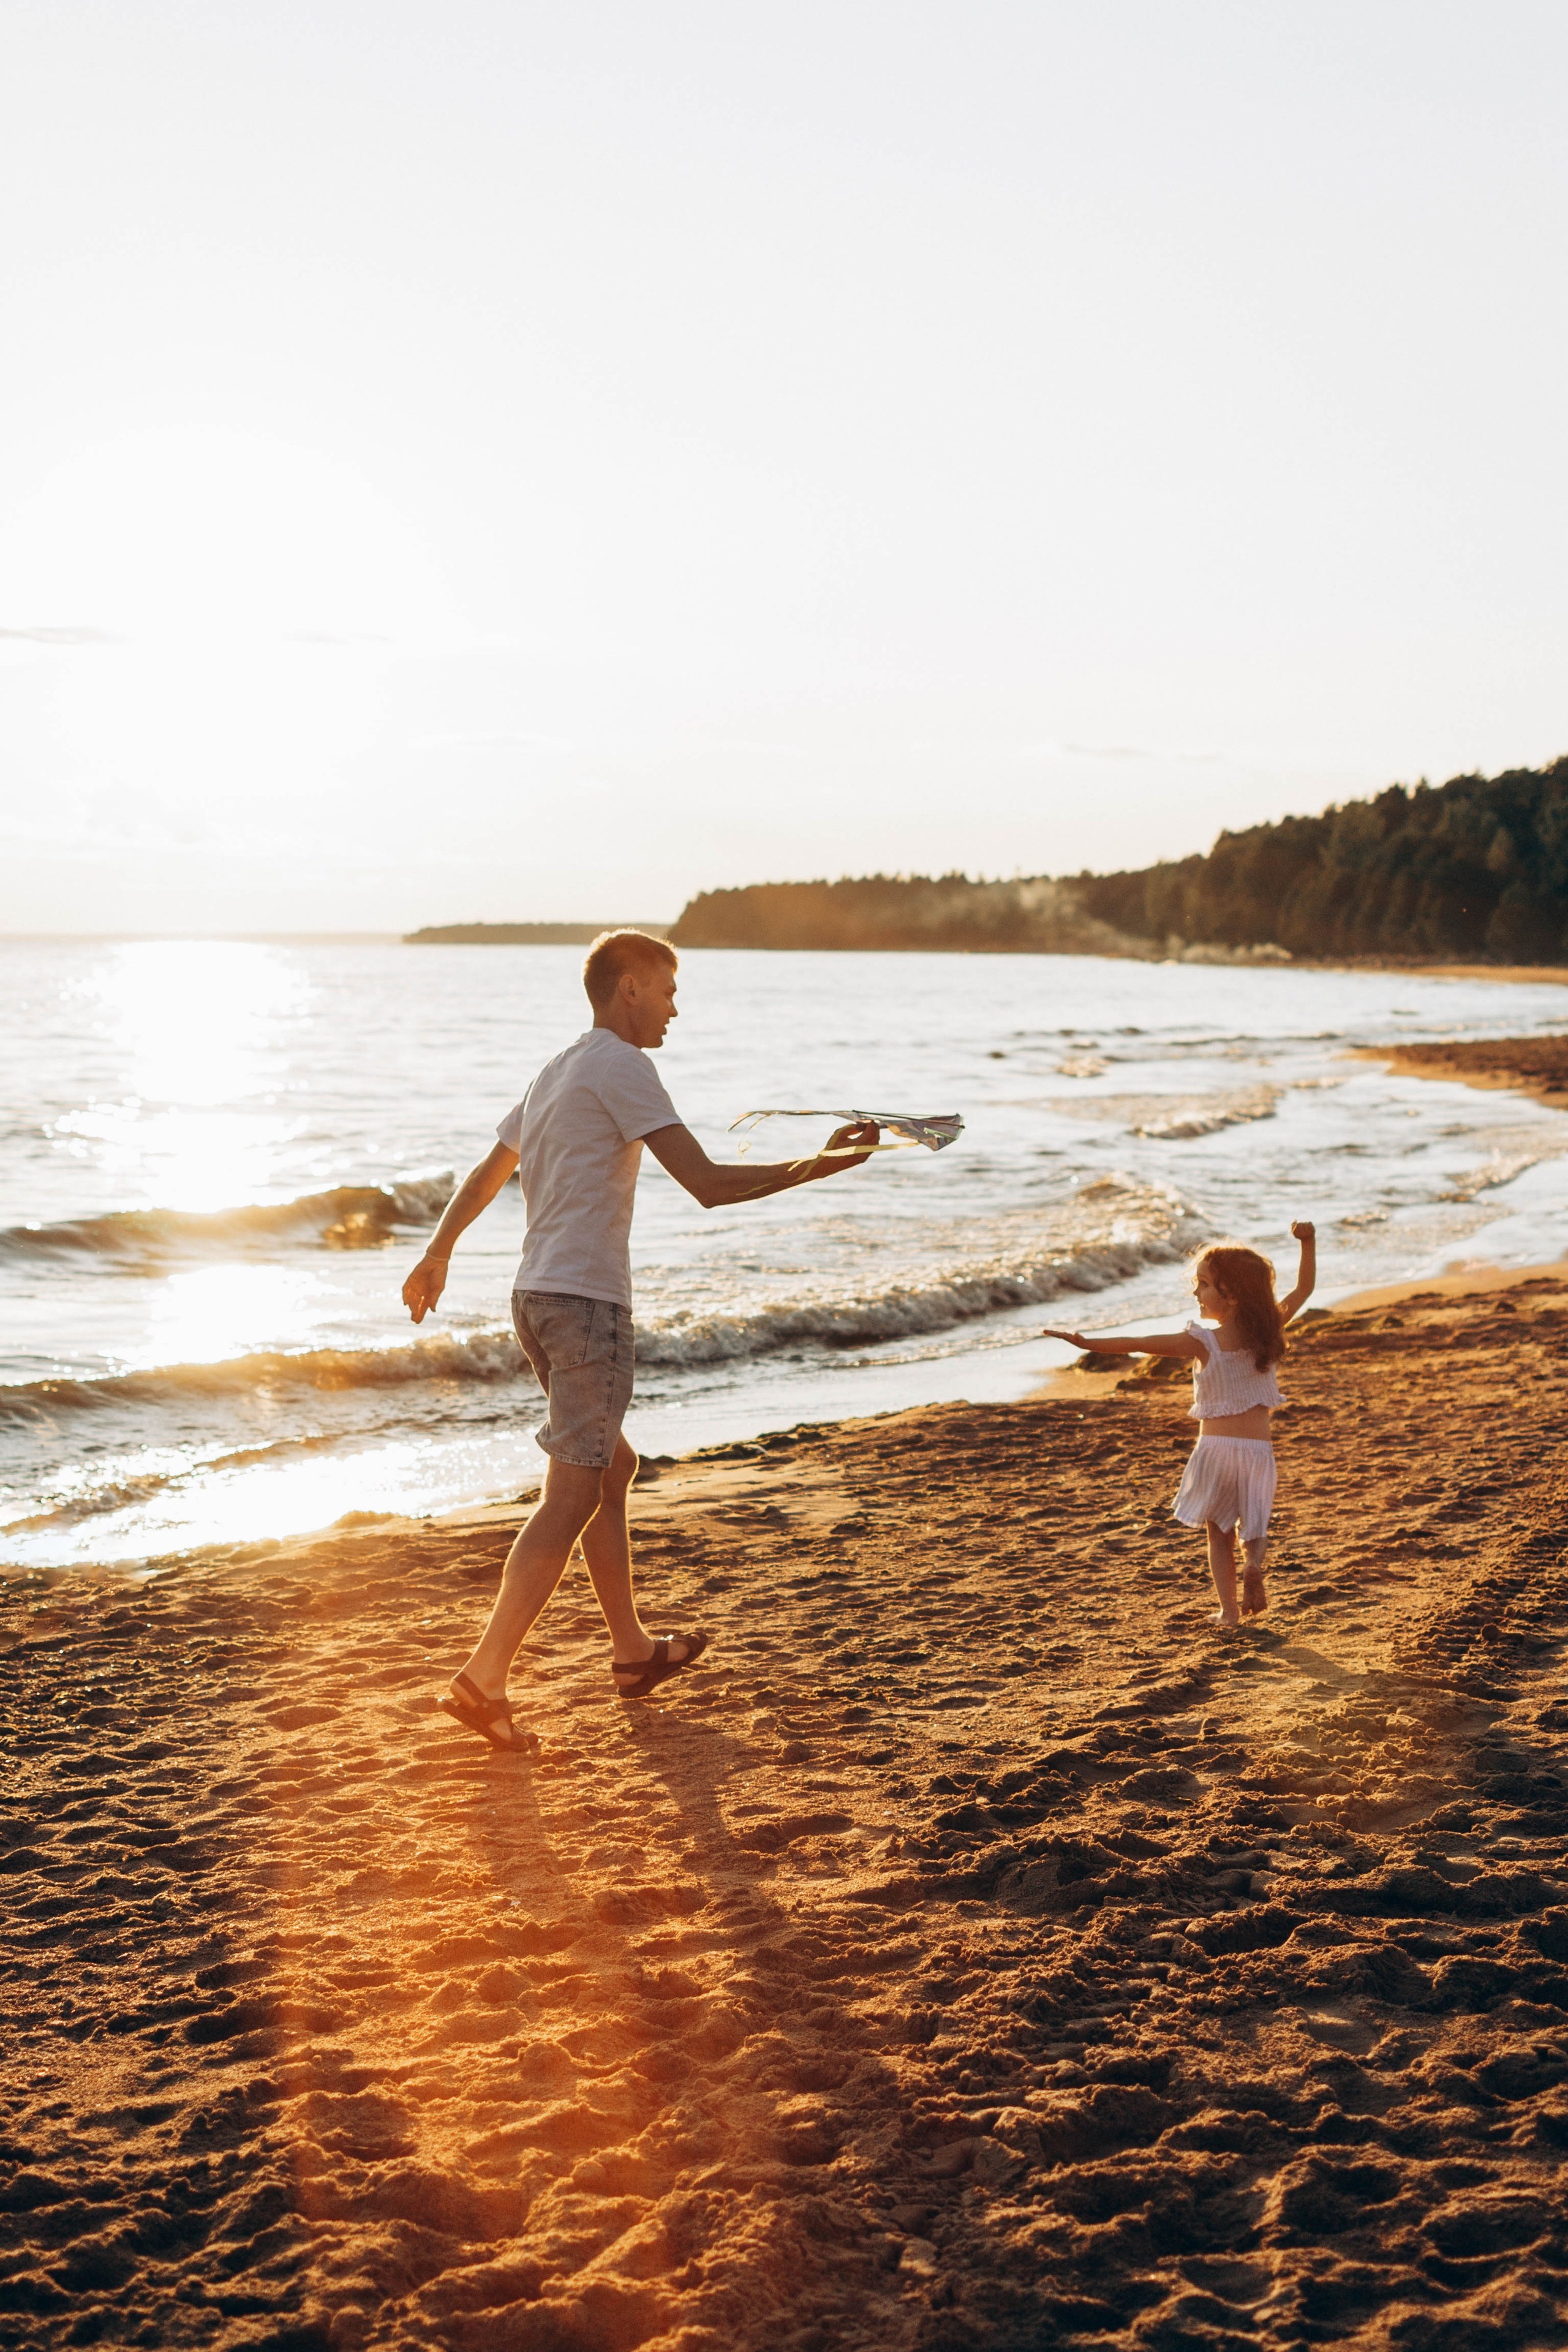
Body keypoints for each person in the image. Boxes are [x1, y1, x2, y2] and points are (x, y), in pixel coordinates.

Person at [401, 929, 878, 1752]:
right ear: (628, 988)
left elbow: (488, 1171)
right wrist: (826, 1166)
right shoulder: (624, 1065)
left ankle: (632, 1653)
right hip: (585, 1305)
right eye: (665, 991)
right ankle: (483, 1680)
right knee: (573, 1494)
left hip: (535, 1297)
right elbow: (708, 1186)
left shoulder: (558, 1067)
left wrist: (438, 1250)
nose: (673, 1008)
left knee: (607, 1469)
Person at [1042, 1223, 1315, 1629]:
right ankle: (1254, 1565)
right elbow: (1304, 1289)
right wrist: (1308, 1243)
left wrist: (1088, 1344)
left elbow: (1138, 1342)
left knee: (1218, 1532)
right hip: (1258, 1452)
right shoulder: (1270, 1330)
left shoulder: (1203, 1342)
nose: (1196, 1292)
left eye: (1204, 1284)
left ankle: (1229, 1612)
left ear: (1232, 1294)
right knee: (1254, 1521)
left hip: (1216, 1451)